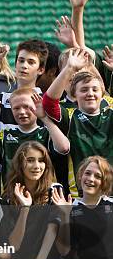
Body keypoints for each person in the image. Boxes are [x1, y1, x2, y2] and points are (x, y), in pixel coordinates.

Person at [43, 53, 113, 196]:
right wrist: (69, 68)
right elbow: (49, 102)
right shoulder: (69, 117)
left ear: (102, 94)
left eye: (95, 89)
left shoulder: (110, 115)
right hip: (79, 195)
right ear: (75, 94)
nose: (90, 93)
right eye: (84, 90)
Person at [0, 88, 70, 190]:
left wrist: (44, 118)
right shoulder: (5, 136)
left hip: (43, 196)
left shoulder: (46, 133)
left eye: (27, 107)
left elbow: (64, 148)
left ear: (37, 106)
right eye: (16, 108)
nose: (22, 112)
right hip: (13, 197)